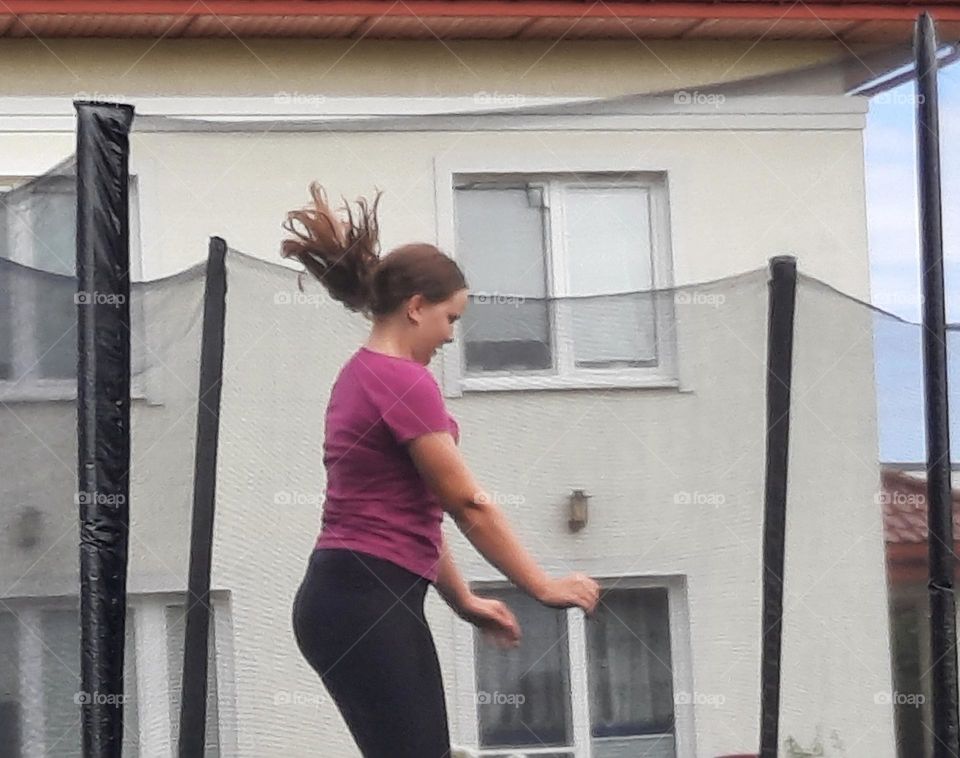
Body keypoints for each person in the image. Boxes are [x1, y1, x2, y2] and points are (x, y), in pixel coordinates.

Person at [283, 183, 601, 758]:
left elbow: (414, 513)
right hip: (363, 600)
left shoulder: (360, 374)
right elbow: (468, 505)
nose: (452, 335)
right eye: (450, 318)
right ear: (416, 307)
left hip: (349, 597)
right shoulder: (405, 381)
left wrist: (463, 600)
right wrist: (541, 585)